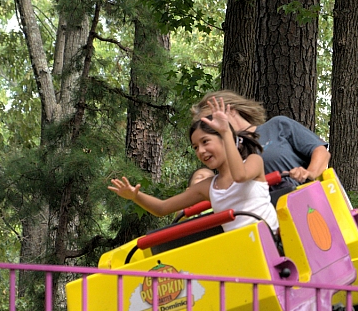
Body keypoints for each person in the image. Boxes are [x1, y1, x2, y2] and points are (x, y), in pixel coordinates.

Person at [110, 98, 278, 232]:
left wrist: (226, 131)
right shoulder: (208, 187)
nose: (201, 151)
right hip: (240, 251)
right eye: (196, 147)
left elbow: (240, 176)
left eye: (206, 142)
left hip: (271, 241)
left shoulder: (253, 161)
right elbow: (162, 208)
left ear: (225, 140)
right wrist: (135, 196)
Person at [190, 90, 330, 197]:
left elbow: (320, 151)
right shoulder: (225, 154)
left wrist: (309, 173)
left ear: (231, 110)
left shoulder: (277, 125)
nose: (212, 126)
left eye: (212, 118)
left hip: (308, 200)